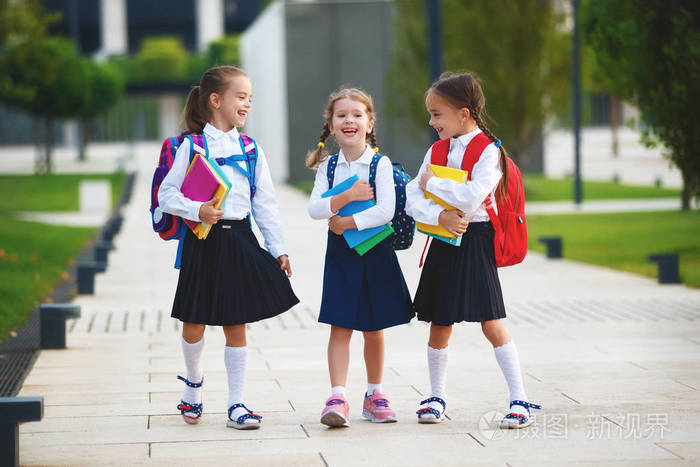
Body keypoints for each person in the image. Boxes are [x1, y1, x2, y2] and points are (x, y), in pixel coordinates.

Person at [158, 65, 299, 429]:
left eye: (251, 97)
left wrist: (278, 248)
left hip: (240, 239)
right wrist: (198, 210)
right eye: (241, 96)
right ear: (215, 100)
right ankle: (193, 387)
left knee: (236, 321)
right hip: (201, 241)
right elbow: (166, 195)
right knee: (194, 320)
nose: (248, 103)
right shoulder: (191, 145)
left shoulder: (251, 149)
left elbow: (265, 203)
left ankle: (237, 403)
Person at [406, 72, 540, 428]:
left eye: (437, 114)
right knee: (439, 321)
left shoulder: (490, 153)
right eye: (431, 114)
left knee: (491, 321)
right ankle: (436, 396)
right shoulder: (436, 149)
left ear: (463, 113)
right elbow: (410, 198)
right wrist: (440, 215)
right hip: (444, 240)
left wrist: (432, 183)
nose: (432, 121)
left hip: (477, 240)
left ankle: (519, 398)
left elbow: (471, 197)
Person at [306, 87, 414, 427]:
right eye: (341, 115)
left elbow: (386, 210)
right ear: (331, 125)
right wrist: (346, 197)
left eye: (357, 115)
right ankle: (337, 395)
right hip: (341, 254)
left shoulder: (380, 164)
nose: (349, 120)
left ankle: (375, 394)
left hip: (375, 250)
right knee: (340, 324)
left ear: (369, 123)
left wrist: (346, 221)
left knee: (374, 326)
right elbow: (314, 208)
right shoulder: (328, 165)